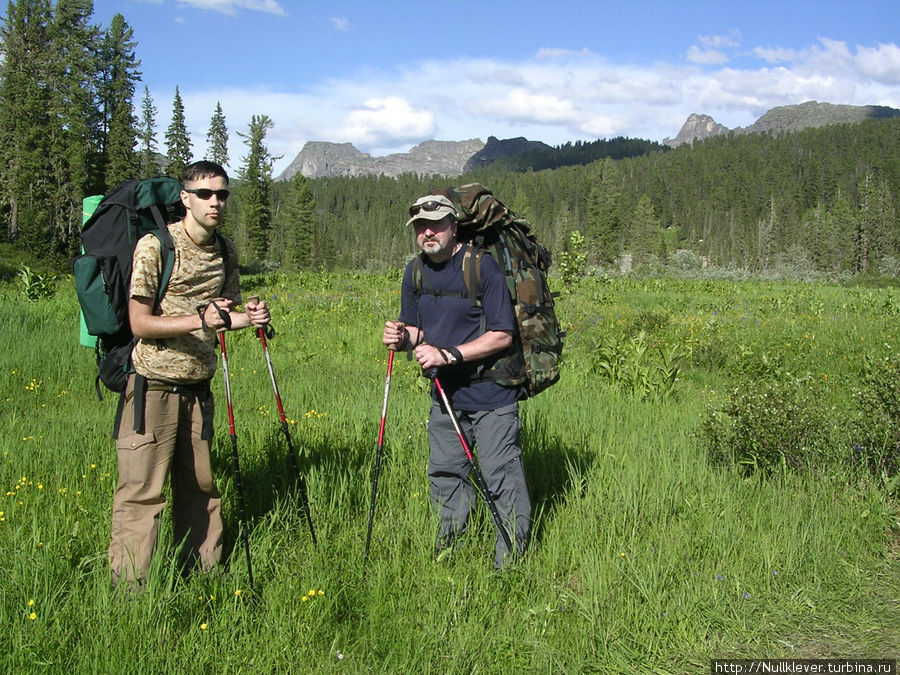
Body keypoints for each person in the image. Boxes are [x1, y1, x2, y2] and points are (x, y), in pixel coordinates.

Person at [108, 161, 270, 588]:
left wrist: (248, 318)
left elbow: (225, 315)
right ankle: (130, 595)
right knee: (143, 493)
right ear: (186, 198)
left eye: (222, 194)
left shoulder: (226, 251)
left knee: (201, 489)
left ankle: (204, 579)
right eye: (205, 194)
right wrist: (199, 319)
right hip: (152, 386)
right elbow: (140, 322)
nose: (215, 202)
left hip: (199, 388)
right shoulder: (157, 245)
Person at [382, 194, 531, 568]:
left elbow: (502, 335)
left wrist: (447, 354)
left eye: (435, 224)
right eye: (419, 226)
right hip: (445, 394)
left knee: (501, 475)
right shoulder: (414, 271)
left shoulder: (484, 269)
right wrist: (402, 339)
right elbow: (417, 330)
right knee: (446, 472)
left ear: (453, 225)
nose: (427, 232)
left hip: (492, 392)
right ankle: (449, 550)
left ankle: (510, 563)